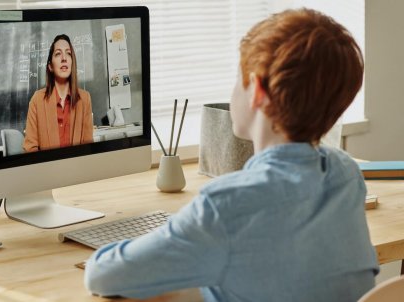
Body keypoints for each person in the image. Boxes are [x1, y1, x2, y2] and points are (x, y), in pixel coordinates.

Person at [84, 9, 379, 302]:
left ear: (258, 92)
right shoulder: (345, 174)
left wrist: (168, 239)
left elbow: (102, 275)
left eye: (238, 78)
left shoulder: (226, 206)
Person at [23, 34, 93, 152]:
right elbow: (30, 149)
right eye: (58, 53)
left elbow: (88, 148)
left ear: (72, 62)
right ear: (50, 66)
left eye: (68, 53)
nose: (64, 58)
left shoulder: (85, 99)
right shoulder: (37, 100)